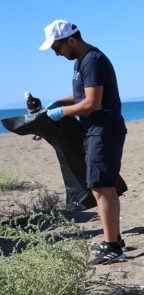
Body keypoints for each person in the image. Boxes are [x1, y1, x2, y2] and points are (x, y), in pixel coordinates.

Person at [39, 20, 127, 265]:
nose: (57, 54)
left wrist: (62, 113)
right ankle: (115, 240)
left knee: (101, 186)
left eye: (57, 48)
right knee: (102, 185)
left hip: (103, 130)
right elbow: (82, 96)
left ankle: (113, 247)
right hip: (95, 130)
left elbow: (91, 104)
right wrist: (59, 102)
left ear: (71, 40)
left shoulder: (93, 60)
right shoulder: (81, 62)